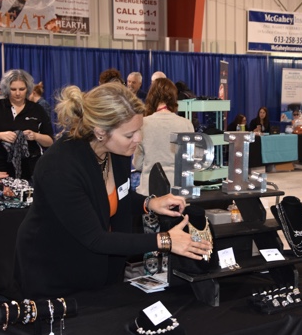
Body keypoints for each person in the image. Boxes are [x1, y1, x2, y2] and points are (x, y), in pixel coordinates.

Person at [15, 82, 212, 298]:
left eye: (139, 130)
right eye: (130, 135)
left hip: (97, 268)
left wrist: (149, 203)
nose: (138, 139)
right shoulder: (60, 166)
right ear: (100, 132)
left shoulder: (116, 153)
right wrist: (165, 240)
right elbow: (95, 238)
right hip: (54, 272)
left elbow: (118, 197)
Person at [0, 69, 54, 181]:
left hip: (31, 167)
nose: (18, 93)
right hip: (0, 167)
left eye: (22, 89)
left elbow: (49, 141)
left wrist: (35, 136)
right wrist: (0, 135)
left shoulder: (37, 109)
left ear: (28, 89)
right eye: (13, 89)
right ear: (6, 89)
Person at [132, 78, 194, 196]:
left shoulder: (143, 124)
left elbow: (138, 164)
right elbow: (192, 160)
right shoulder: (186, 124)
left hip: (150, 190)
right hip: (179, 191)